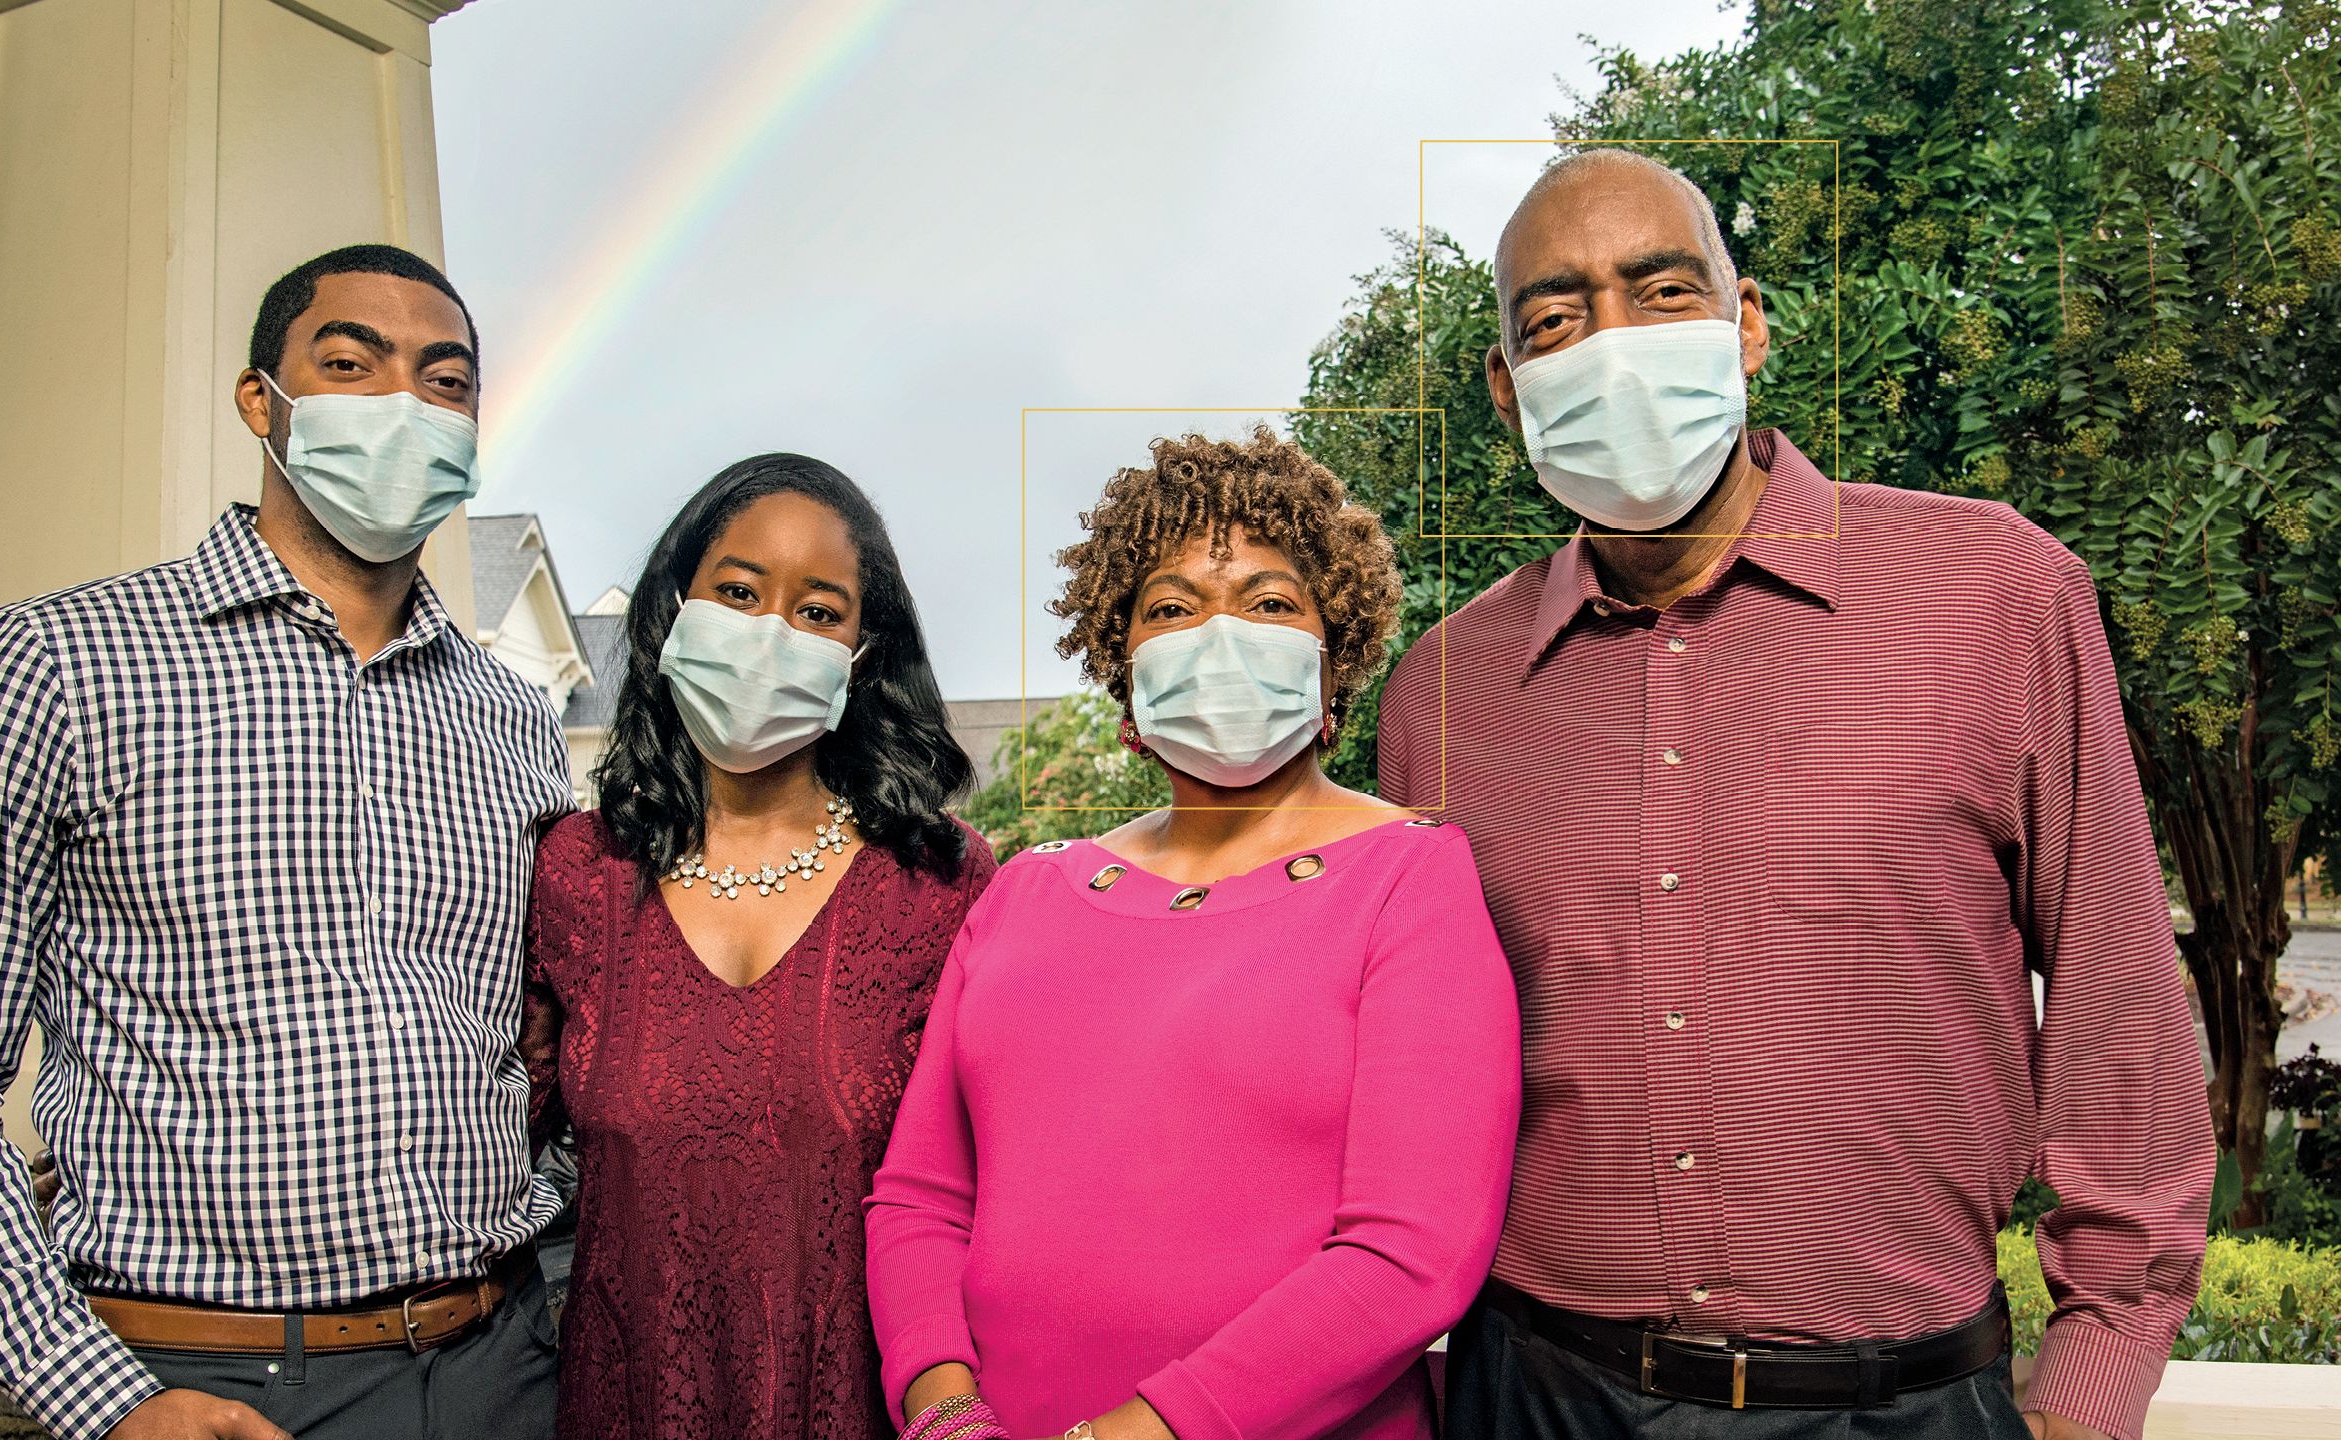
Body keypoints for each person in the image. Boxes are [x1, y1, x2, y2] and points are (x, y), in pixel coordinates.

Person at [1375, 149, 2216, 1440]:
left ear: (1747, 323)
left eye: (1660, 293)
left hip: (1902, 1404)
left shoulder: (1991, 590)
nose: (1611, 349)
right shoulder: (1443, 694)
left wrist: (2086, 1402)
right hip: (1538, 1396)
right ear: (1506, 387)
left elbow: (2123, 1031)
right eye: (1553, 321)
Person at [0, 244, 572, 1440]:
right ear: (259, 400)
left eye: (444, 384)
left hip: (503, 1363)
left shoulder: (508, 718)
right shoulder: (58, 665)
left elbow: (550, 1037)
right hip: (207, 1386)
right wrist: (103, 1398)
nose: (401, 406)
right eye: (349, 364)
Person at [866, 428, 1523, 1440]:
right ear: (1123, 671)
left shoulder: (1409, 876)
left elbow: (1409, 1256)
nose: (1219, 635)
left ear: (1329, 659)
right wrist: (943, 1407)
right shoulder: (1022, 893)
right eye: (1172, 607)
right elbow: (919, 1200)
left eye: (1268, 603)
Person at [519, 454, 995, 1440]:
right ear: (673, 609)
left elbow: (989, 1194)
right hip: (622, 1406)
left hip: (871, 1410)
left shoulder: (938, 884)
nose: (769, 633)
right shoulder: (576, 874)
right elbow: (498, 1137)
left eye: (819, 612)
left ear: (863, 654)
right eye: (737, 592)